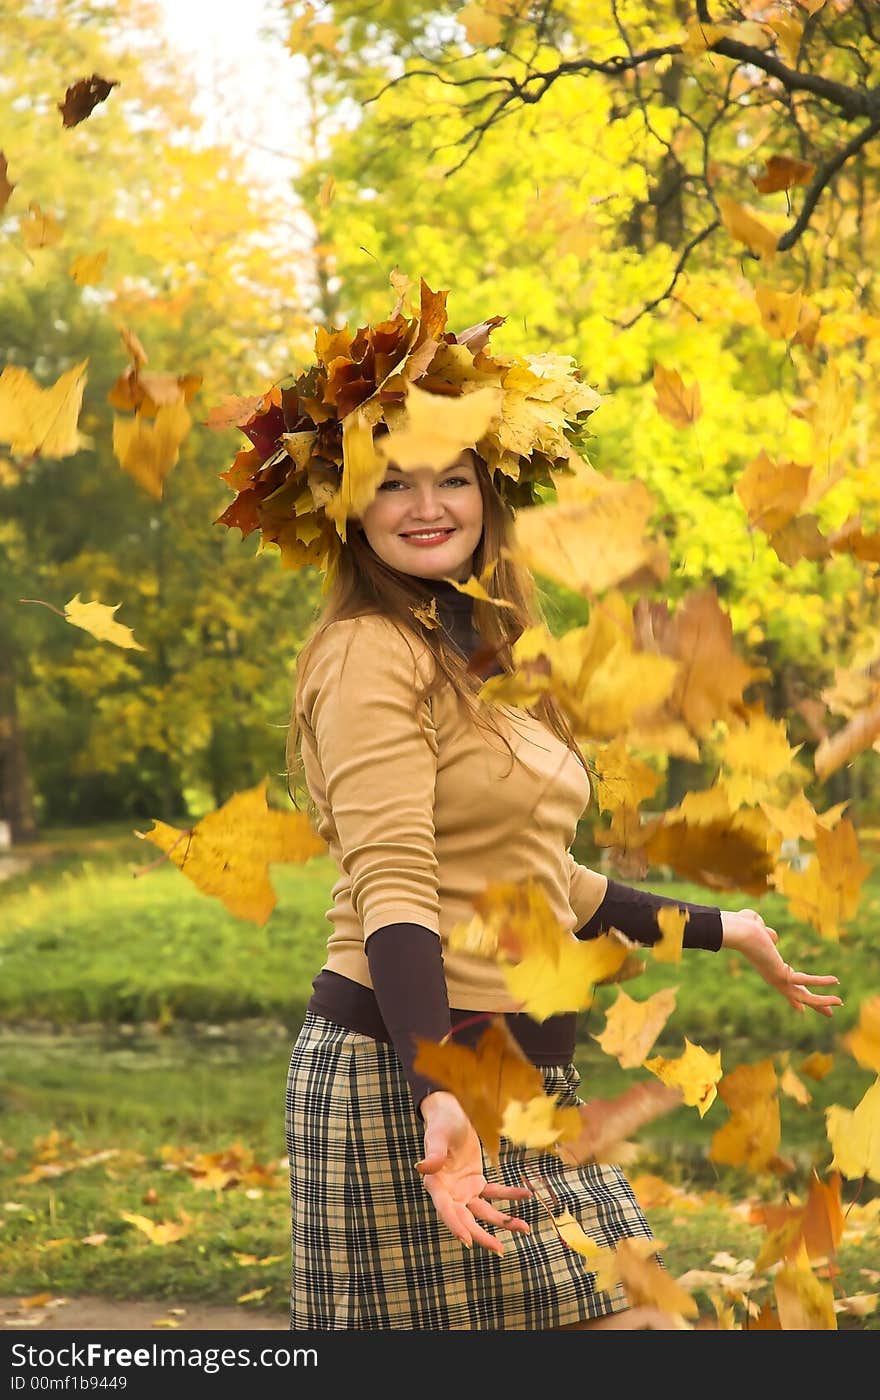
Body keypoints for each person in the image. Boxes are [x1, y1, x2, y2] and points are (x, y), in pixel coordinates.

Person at [220, 279, 843, 1331]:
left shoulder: (472, 659)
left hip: (516, 1080)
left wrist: (723, 925)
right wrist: (436, 1086)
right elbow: (396, 884)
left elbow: (548, 879)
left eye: (451, 477)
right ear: (349, 506)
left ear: (487, 489)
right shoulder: (370, 653)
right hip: (409, 1077)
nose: (426, 505)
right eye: (392, 482)